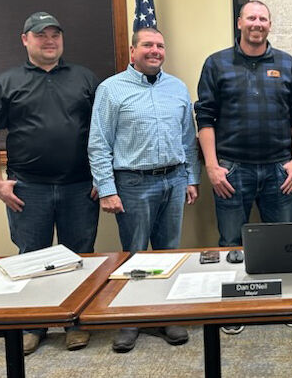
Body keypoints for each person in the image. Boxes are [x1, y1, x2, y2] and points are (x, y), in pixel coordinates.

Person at [0, 12, 100, 354]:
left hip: (80, 186)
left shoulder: (85, 78)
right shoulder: (8, 81)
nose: (49, 40)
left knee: (80, 257)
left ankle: (76, 322)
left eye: (55, 34)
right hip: (29, 189)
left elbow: (103, 132)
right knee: (32, 258)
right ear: (25, 40)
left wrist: (101, 178)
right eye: (41, 35)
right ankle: (34, 325)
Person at [195, 0, 292, 335]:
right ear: (239, 22)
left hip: (279, 170)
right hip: (232, 169)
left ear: (270, 25)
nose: (257, 23)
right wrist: (213, 168)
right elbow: (204, 118)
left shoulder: (286, 63)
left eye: (263, 18)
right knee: (231, 241)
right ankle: (233, 309)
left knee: (283, 243)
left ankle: (282, 304)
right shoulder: (216, 63)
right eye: (251, 18)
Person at [88, 27, 200, 353]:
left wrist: (192, 178)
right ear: (133, 51)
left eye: (160, 45)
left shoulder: (177, 88)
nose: (155, 50)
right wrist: (106, 188)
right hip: (133, 183)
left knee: (168, 251)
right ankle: (130, 318)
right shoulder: (111, 89)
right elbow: (99, 143)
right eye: (148, 45)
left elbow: (187, 140)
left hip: (175, 179)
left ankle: (166, 314)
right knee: (134, 252)